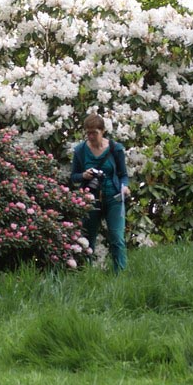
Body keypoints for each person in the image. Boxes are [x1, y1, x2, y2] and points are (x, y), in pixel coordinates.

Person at [71, 113, 130, 272]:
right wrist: (83, 175)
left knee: (117, 237)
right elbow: (73, 177)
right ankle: (86, 274)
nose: (90, 136)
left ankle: (120, 275)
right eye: (88, 133)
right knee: (88, 239)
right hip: (91, 199)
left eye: (94, 133)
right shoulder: (80, 151)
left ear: (102, 131)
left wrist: (124, 186)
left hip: (114, 198)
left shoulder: (115, 149)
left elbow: (123, 175)